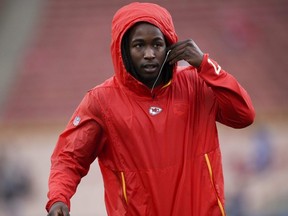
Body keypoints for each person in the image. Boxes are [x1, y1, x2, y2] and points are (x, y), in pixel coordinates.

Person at [46, 2, 255, 216]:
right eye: (139, 45)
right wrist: (58, 198)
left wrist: (205, 64)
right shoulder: (101, 101)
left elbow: (243, 115)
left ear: (170, 46)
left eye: (157, 44)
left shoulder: (198, 82)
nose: (149, 54)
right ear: (123, 50)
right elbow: (69, 157)